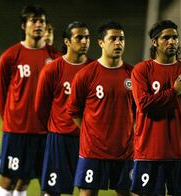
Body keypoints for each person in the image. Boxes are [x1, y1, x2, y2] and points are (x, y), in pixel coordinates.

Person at [130, 20, 181, 196]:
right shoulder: (141, 70)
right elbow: (144, 105)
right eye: (166, 38)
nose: (172, 41)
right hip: (148, 152)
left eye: (175, 37)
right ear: (155, 42)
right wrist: (173, 92)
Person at [0, 5, 61, 195]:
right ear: (24, 25)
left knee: (49, 183)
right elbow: (1, 95)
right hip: (18, 131)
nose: (39, 24)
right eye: (34, 20)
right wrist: (12, 121)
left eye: (42, 21)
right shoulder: (10, 56)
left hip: (48, 133)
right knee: (9, 180)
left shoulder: (56, 58)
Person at [67, 21, 134, 196]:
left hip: (125, 152)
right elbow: (74, 111)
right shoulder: (86, 74)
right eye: (113, 39)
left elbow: (140, 112)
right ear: (101, 43)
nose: (118, 43)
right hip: (93, 152)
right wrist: (92, 134)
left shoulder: (133, 75)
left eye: (121, 39)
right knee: (88, 193)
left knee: (127, 193)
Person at [35, 21, 91, 196]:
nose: (84, 41)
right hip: (59, 140)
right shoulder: (52, 69)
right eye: (79, 37)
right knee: (52, 190)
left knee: (88, 189)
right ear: (67, 41)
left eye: (87, 38)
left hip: (87, 141)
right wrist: (56, 128)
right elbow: (40, 107)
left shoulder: (94, 69)